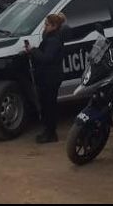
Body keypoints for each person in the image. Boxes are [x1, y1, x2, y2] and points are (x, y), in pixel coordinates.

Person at [25, 13, 67, 144]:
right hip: (48, 77)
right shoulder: (51, 37)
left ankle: (50, 133)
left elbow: (46, 58)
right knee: (47, 105)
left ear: (54, 26)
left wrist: (33, 51)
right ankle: (48, 132)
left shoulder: (53, 40)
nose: (44, 27)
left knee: (49, 106)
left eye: (47, 24)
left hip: (51, 78)